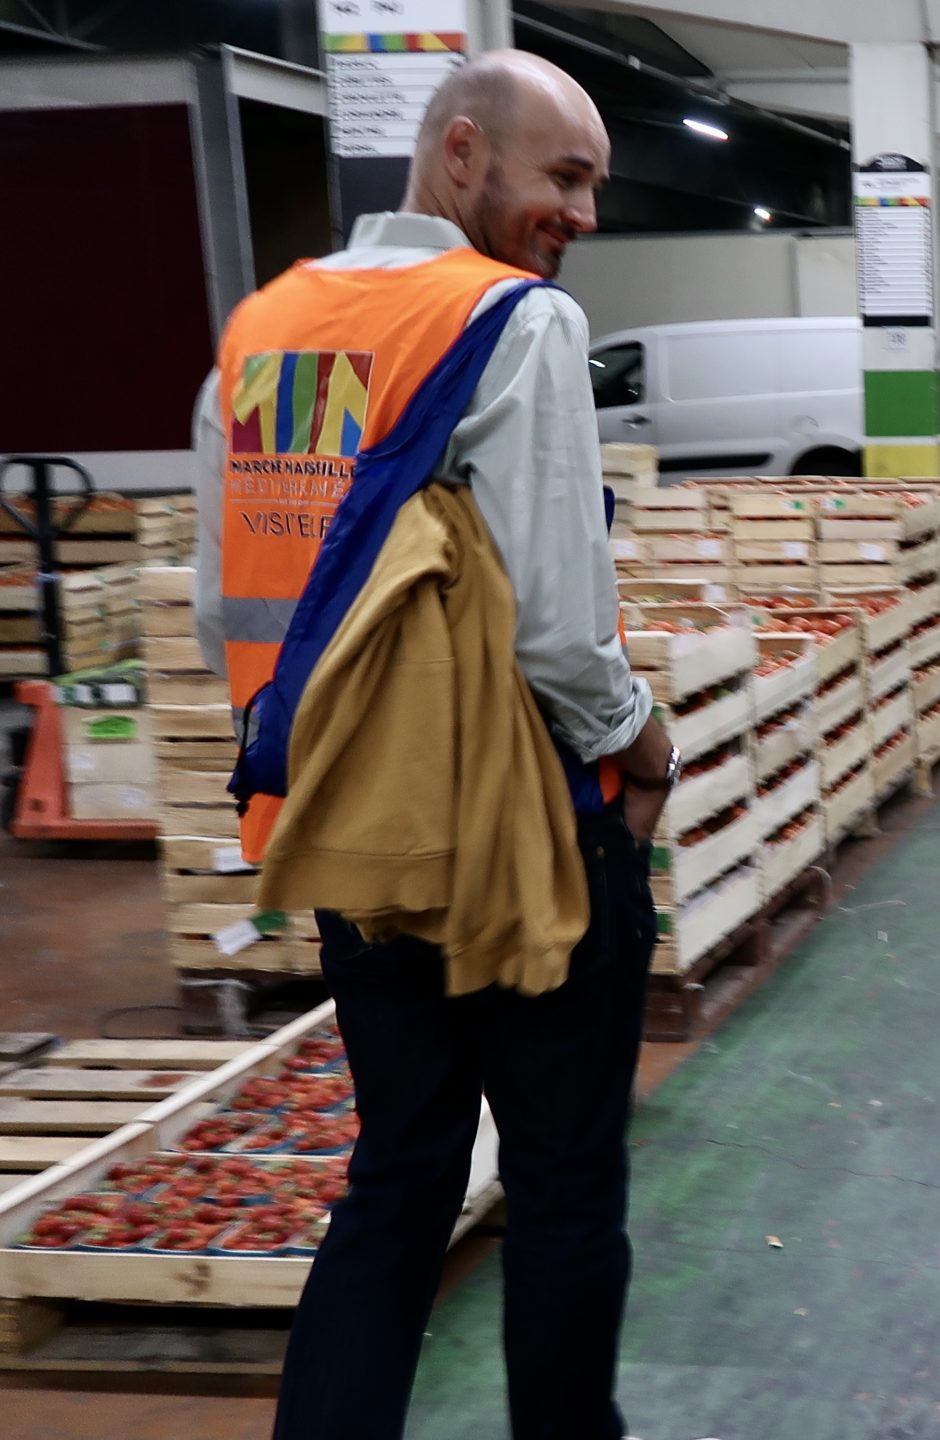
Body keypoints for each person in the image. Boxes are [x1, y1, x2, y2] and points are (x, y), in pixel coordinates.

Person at [190, 52, 672, 1439]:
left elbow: (233, 602)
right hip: (523, 838)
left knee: (400, 1174)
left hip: (351, 836)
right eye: (563, 177)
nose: (580, 212)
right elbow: (565, 635)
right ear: (461, 155)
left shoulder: (263, 326)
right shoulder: (513, 322)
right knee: (565, 1184)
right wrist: (643, 751)